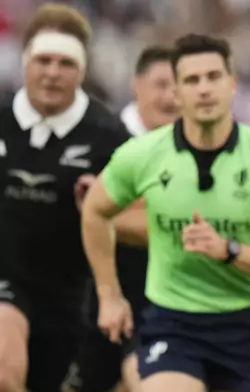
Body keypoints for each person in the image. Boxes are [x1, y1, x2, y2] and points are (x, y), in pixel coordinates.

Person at [81, 34, 250, 392]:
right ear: (177, 93)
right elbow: (94, 210)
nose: (203, 89)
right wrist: (110, 296)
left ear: (232, 84)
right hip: (172, 323)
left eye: (213, 77)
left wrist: (229, 251)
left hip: (246, 327)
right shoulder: (143, 155)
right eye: (191, 80)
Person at [0, 3, 144, 392]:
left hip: (75, 298)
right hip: (7, 282)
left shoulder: (109, 136)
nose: (51, 72)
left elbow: (147, 222)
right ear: (24, 62)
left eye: (65, 63)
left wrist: (103, 211)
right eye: (42, 60)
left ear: (81, 71)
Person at [68, 45, 179, 392]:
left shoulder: (195, 151)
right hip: (90, 303)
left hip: (161, 308)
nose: (171, 96)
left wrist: (111, 216)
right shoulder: (103, 140)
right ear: (136, 85)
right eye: (161, 84)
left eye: (179, 85)